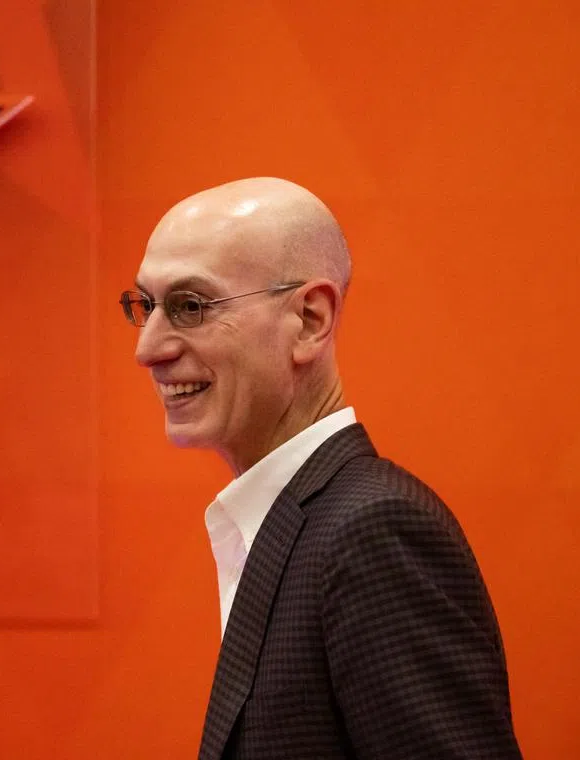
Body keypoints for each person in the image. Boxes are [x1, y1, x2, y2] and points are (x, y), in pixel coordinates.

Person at [121, 177, 523, 759]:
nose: (148, 348)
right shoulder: (297, 523)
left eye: (190, 306)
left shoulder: (372, 531)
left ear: (309, 320)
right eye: (145, 306)